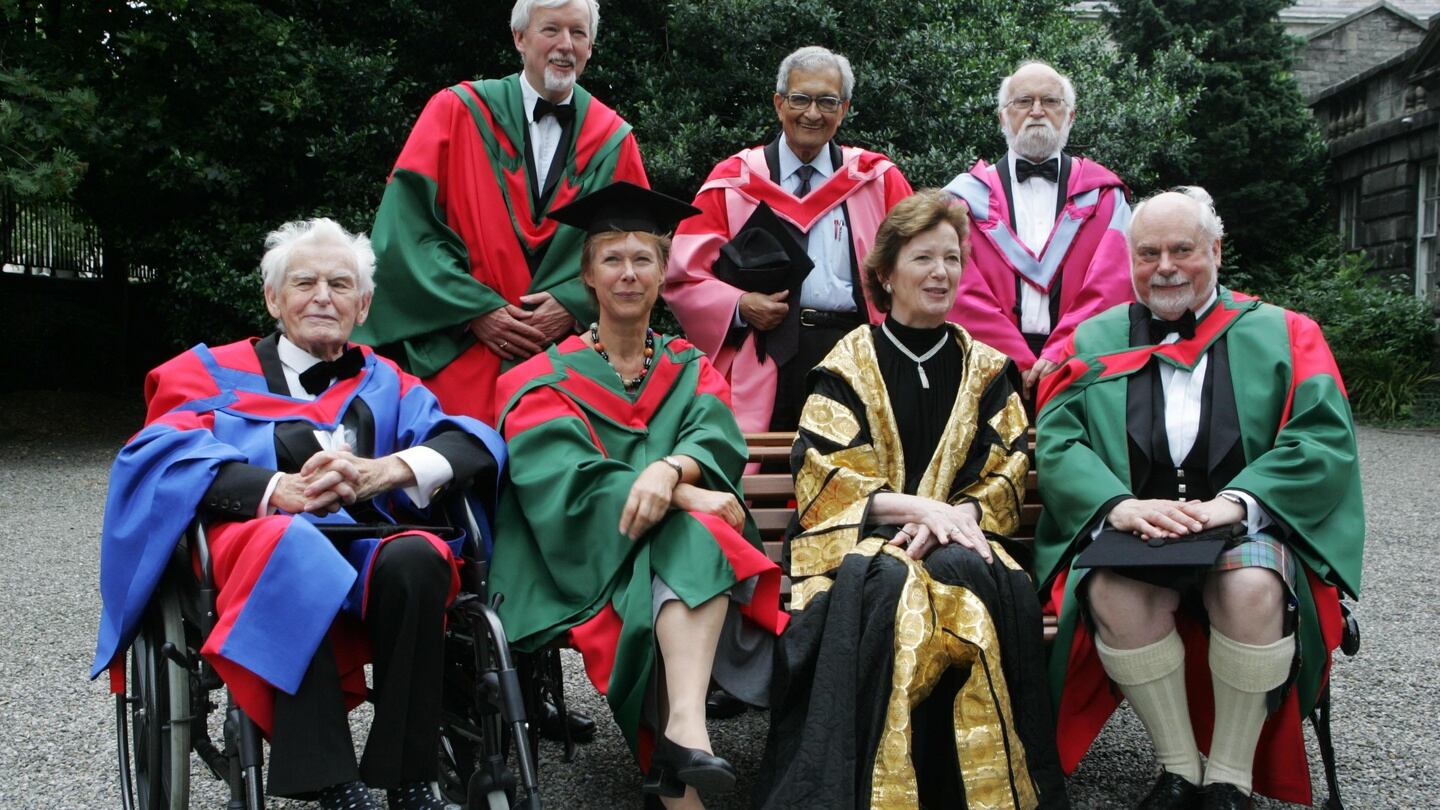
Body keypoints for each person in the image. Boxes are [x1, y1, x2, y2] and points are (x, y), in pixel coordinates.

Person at [91, 219, 506, 810]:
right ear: (272, 298)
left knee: (420, 557)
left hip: (364, 542)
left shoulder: (387, 381)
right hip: (255, 543)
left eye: (340, 284)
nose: (322, 296)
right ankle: (331, 781)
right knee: (295, 546)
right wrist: (275, 488)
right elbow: (160, 457)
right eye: (304, 281)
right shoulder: (206, 375)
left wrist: (388, 470)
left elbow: (467, 440)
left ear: (362, 305)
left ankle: (408, 776)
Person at [1033, 188, 1364, 809]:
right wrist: (1117, 507)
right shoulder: (1092, 342)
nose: (1164, 266)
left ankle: (1230, 780)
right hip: (1139, 526)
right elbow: (1058, 445)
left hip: (1243, 525)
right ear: (1129, 259)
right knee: (1111, 588)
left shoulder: (1285, 333)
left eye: (1182, 250)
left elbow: (1322, 441)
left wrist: (1237, 503)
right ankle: (1179, 767)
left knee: (1252, 587)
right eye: (1148, 252)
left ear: (1215, 250)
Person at [756, 190, 1067, 809]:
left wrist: (954, 519)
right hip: (861, 547)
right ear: (885, 274)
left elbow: (1004, 473)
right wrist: (924, 511)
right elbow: (828, 477)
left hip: (967, 541)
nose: (942, 273)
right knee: (894, 585)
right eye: (924, 258)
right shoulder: (847, 364)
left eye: (952, 259)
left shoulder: (987, 370)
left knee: (958, 568)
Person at [488, 182, 788, 810]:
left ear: (661, 272)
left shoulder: (690, 366)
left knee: (690, 540)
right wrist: (688, 498)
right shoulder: (538, 379)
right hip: (581, 560)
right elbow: (566, 482)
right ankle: (686, 740)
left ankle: (683, 740)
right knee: (695, 535)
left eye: (643, 259)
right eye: (612, 260)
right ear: (587, 276)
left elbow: (714, 436)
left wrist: (669, 473)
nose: (629, 274)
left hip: (677, 554)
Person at [355, 0, 649, 425]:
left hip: (568, 363)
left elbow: (637, 248)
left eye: (578, 33)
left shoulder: (613, 140)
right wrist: (475, 310)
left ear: (591, 47)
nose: (565, 45)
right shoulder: (456, 112)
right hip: (462, 353)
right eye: (551, 30)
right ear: (519, 37)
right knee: (451, 470)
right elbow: (405, 231)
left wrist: (573, 302)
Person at [666, 45, 913, 433]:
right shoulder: (733, 182)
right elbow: (682, 277)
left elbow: (917, 268)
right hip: (763, 352)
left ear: (844, 109)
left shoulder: (877, 180)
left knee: (852, 473)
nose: (812, 113)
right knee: (762, 474)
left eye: (827, 101)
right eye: (800, 99)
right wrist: (739, 304)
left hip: (858, 351)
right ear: (779, 103)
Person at [943, 60, 1132, 400]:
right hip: (986, 365)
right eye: (1023, 101)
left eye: (1050, 101)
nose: (1037, 111)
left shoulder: (1106, 197)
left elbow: (1112, 285)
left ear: (1070, 116)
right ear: (1003, 116)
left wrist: (1064, 350)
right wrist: (1014, 357)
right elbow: (961, 289)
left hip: (1083, 365)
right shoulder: (962, 200)